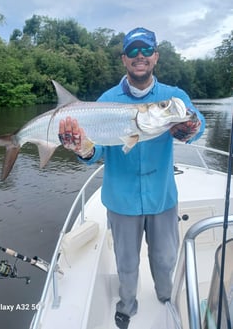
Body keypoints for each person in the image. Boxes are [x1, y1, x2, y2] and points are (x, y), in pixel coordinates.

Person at [58, 27, 205, 329]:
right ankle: (127, 305)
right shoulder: (106, 100)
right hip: (121, 201)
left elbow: (196, 122)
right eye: (133, 51)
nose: (140, 57)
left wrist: (191, 127)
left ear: (155, 56)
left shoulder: (172, 97)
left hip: (162, 197)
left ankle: (166, 297)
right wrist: (82, 149)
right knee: (126, 265)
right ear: (124, 58)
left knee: (165, 260)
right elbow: (94, 151)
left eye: (146, 50)